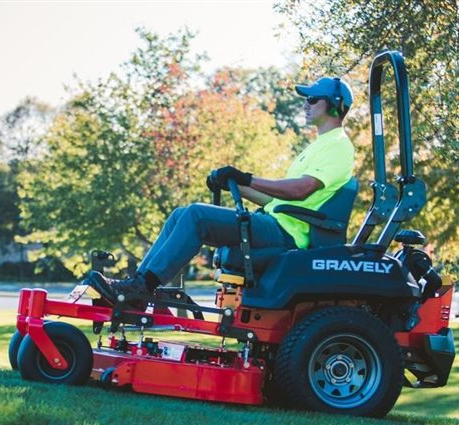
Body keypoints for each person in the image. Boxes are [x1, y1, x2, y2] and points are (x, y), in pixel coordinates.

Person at [87, 76, 355, 304]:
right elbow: (275, 198)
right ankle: (138, 285)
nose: (305, 104)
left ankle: (141, 288)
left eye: (312, 99)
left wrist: (247, 179)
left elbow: (301, 190)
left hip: (286, 233)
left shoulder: (338, 146)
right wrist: (234, 182)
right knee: (182, 214)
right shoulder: (317, 147)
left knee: (197, 216)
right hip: (274, 222)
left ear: (333, 107)